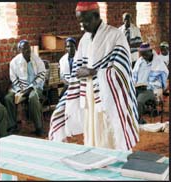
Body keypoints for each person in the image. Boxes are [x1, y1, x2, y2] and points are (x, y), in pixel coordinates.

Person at [49, 2, 139, 151]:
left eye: (84, 21)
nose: (82, 27)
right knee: (92, 134)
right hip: (88, 95)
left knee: (109, 137)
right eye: (80, 23)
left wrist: (94, 72)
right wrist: (80, 75)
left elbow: (123, 70)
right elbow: (78, 69)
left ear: (96, 16)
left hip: (109, 96)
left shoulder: (115, 36)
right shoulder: (85, 39)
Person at [4, 40, 46, 136]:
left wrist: (31, 87)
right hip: (19, 87)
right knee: (8, 98)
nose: (28, 50)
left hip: (35, 87)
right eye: (25, 48)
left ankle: (38, 127)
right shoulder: (14, 62)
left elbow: (42, 74)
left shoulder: (36, 59)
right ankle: (12, 125)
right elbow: (13, 78)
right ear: (20, 50)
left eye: (28, 48)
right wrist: (20, 90)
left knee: (33, 97)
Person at [133, 42, 169, 124]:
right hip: (136, 87)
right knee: (126, 99)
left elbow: (163, 77)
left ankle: (136, 122)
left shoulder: (158, 62)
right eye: (142, 54)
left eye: (145, 54)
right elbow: (133, 75)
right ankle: (134, 121)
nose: (144, 56)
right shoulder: (140, 61)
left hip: (149, 89)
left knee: (139, 102)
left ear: (150, 51)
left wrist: (154, 86)